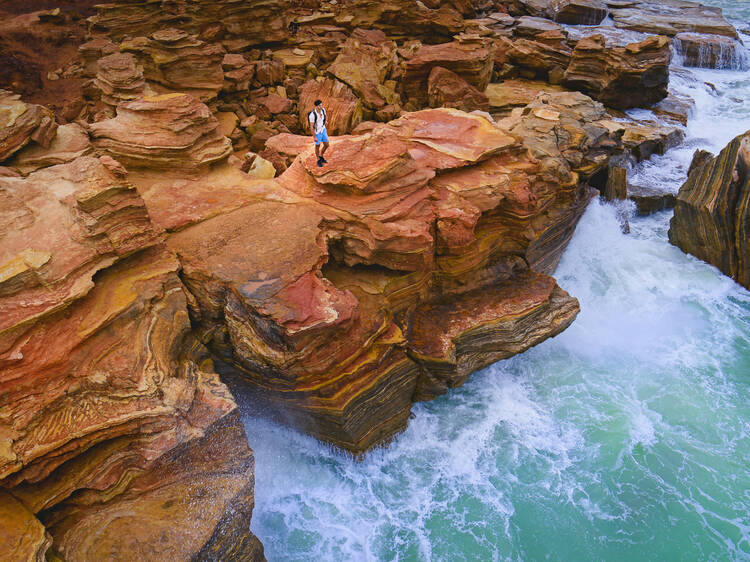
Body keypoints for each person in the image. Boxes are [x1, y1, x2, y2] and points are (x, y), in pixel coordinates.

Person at [308, 99, 329, 167]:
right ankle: (318, 159)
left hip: (323, 130)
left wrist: (326, 121)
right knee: (317, 146)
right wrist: (314, 136)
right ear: (316, 106)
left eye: (321, 105)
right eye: (320, 105)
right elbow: (311, 127)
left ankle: (321, 156)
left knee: (326, 144)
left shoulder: (323, 110)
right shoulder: (312, 115)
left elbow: (326, 116)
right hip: (317, 132)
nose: (321, 106)